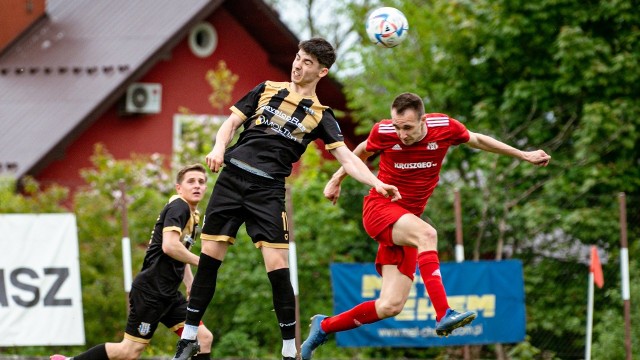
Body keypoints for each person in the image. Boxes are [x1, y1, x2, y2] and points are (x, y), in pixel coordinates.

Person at [171, 37, 401, 360]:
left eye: (307, 62)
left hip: (267, 190)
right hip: (232, 178)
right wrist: (218, 147)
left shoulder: (321, 115)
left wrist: (376, 182)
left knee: (278, 269)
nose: (297, 65)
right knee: (210, 258)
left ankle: (289, 351)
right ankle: (189, 338)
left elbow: (347, 158)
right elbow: (231, 122)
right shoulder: (266, 88)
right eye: (297, 57)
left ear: (321, 72)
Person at [300, 92, 551, 359]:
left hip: (405, 223)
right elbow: (361, 149)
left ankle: (324, 326)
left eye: (407, 127)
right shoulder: (384, 131)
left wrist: (523, 154)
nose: (401, 134)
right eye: (397, 126)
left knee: (390, 305)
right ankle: (443, 312)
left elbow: (476, 139)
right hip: (380, 210)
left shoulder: (444, 128)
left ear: (423, 120)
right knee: (427, 234)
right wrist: (337, 178)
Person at [51, 164, 213, 360]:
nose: (197, 186)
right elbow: (169, 246)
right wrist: (205, 263)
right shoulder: (179, 207)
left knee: (203, 338)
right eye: (191, 181)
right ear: (179, 187)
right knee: (128, 351)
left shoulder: (190, 214)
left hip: (169, 294)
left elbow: (180, 251)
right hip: (151, 291)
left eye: (201, 182)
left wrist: (189, 282)